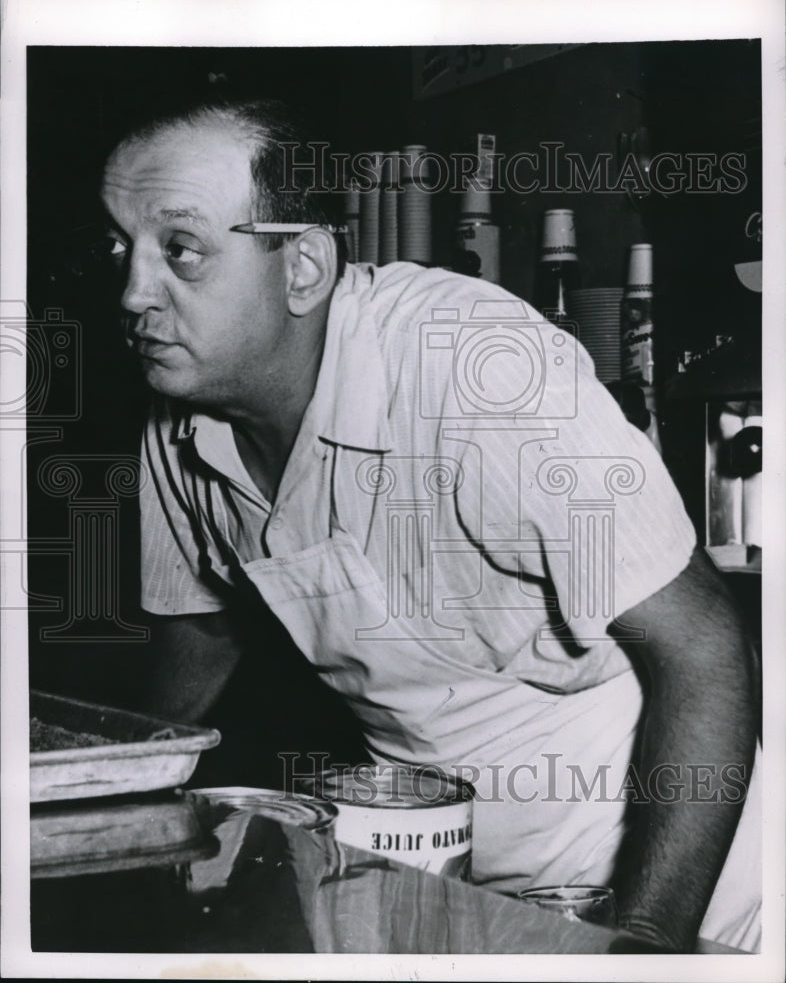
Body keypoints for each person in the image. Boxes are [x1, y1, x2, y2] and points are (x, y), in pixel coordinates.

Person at [99, 95, 761, 953]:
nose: (131, 293)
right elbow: (202, 630)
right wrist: (116, 802)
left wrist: (640, 946)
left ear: (301, 266)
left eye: (179, 250)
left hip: (682, 888)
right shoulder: (182, 423)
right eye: (120, 247)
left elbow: (705, 647)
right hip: (442, 876)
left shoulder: (475, 370)